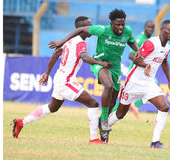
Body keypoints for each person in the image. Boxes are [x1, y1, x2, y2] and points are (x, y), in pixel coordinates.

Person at [11, 16, 112, 144]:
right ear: (82, 29)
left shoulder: (69, 41)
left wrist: (47, 73)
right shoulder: (80, 42)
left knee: (52, 107)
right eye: (88, 26)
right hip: (66, 81)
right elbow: (85, 57)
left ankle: (21, 122)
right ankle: (94, 139)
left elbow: (55, 54)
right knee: (93, 104)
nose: (90, 29)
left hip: (60, 77)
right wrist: (100, 62)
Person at [48, 9, 141, 143]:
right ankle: (104, 122)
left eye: (122, 24)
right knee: (108, 86)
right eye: (117, 25)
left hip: (115, 67)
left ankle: (102, 124)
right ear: (111, 23)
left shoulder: (127, 31)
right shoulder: (102, 30)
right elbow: (80, 30)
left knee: (113, 102)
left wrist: (137, 50)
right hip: (100, 64)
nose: (120, 27)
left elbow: (131, 41)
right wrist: (61, 41)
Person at [107, 20, 170, 149]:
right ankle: (104, 127)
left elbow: (164, 61)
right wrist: (145, 65)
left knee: (164, 107)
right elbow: (136, 59)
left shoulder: (167, 47)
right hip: (133, 82)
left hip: (148, 83)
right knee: (120, 114)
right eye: (169, 30)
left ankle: (155, 142)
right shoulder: (151, 43)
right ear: (161, 29)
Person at [112, 20, 155, 119]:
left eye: (152, 27)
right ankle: (110, 114)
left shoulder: (152, 40)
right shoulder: (140, 39)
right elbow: (131, 55)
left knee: (156, 87)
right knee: (125, 98)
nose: (150, 29)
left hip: (145, 73)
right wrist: (144, 64)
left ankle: (135, 105)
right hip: (135, 72)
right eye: (148, 27)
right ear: (144, 27)